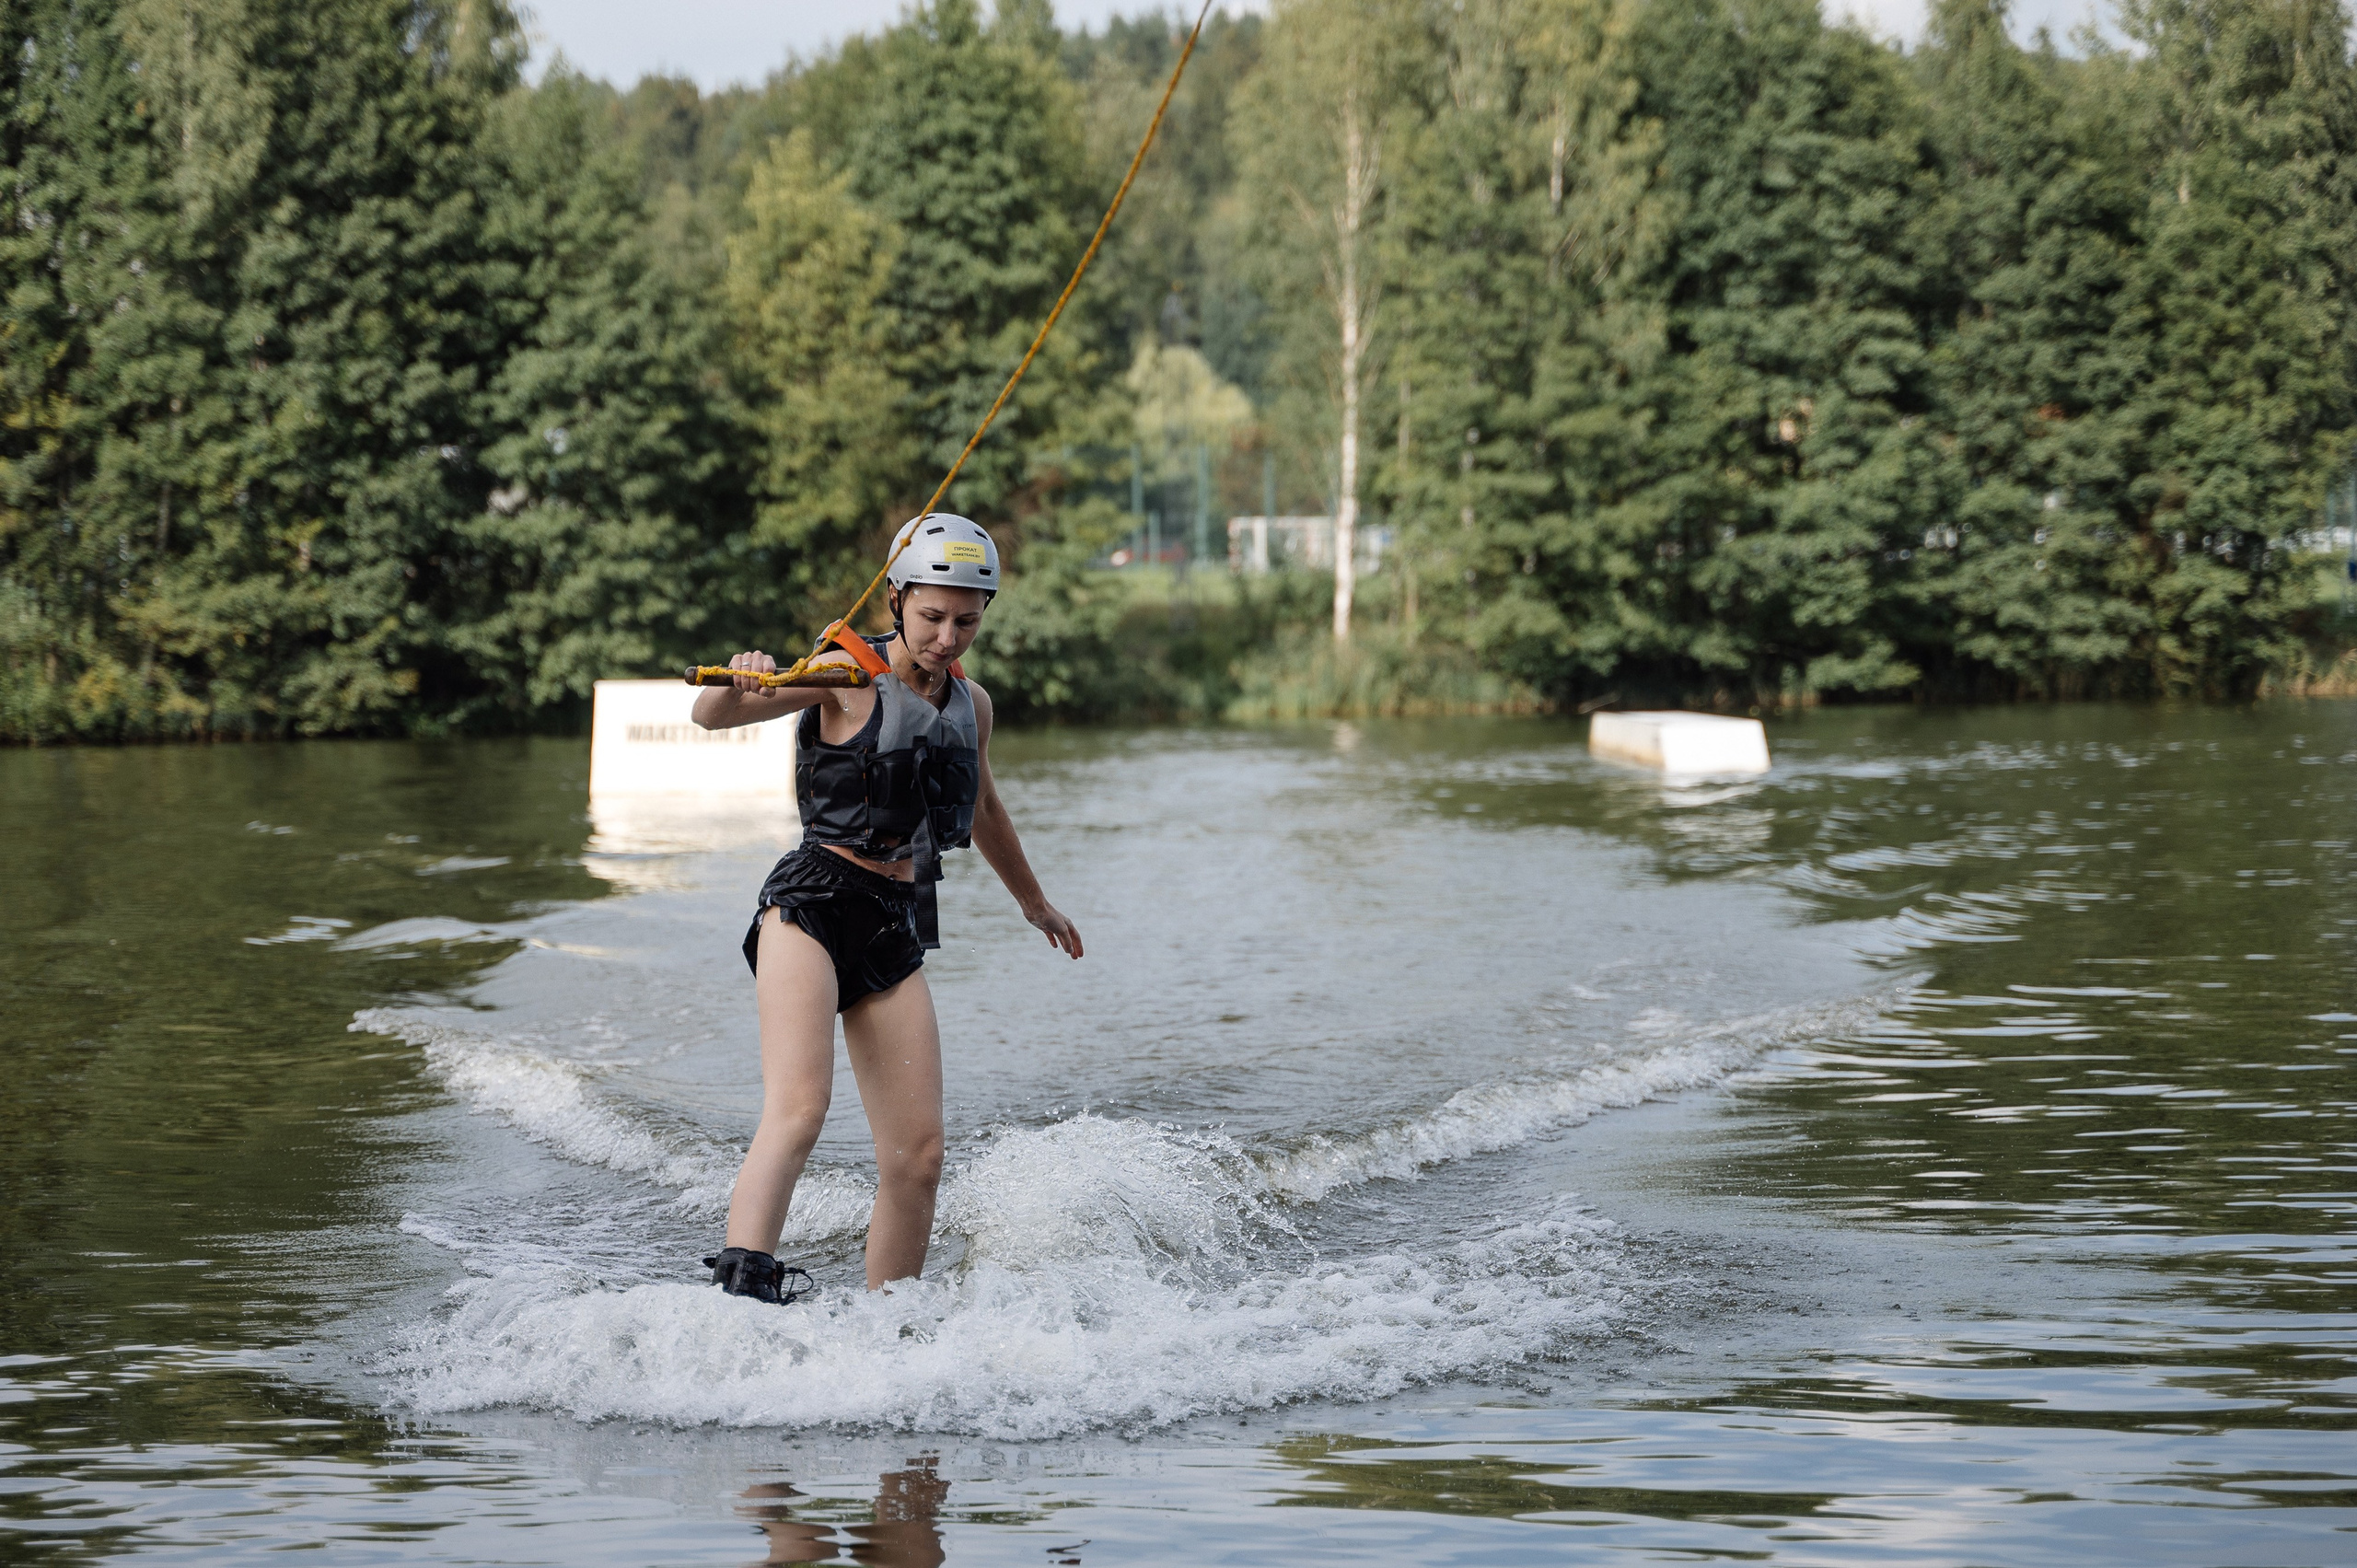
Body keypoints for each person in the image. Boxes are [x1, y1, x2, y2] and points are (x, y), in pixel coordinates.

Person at [690, 515, 1083, 1303]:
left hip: (894, 919)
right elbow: (712, 717)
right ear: (897, 597)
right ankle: (735, 1305)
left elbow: (985, 810)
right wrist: (748, 676)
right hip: (811, 904)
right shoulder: (845, 673)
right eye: (932, 616)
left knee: (918, 1154)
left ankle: (889, 1329)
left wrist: (1034, 902)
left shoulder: (974, 704)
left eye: (966, 620)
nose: (947, 636)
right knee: (800, 1108)